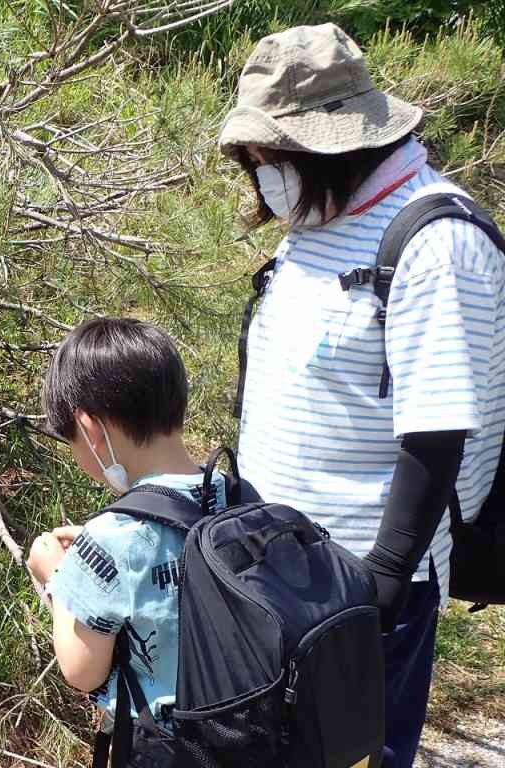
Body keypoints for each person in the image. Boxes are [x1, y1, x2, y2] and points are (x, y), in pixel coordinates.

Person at [218, 23, 505, 768]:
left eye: (269, 158)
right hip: (274, 564)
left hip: (356, 588)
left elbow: (438, 432)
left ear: (335, 142)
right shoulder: (320, 217)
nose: (261, 177)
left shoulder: (437, 240)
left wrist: (377, 589)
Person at [26, 317, 242, 737]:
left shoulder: (110, 541)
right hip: (247, 726)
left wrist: (58, 577)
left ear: (91, 430)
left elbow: (82, 670)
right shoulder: (233, 491)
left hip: (175, 747)